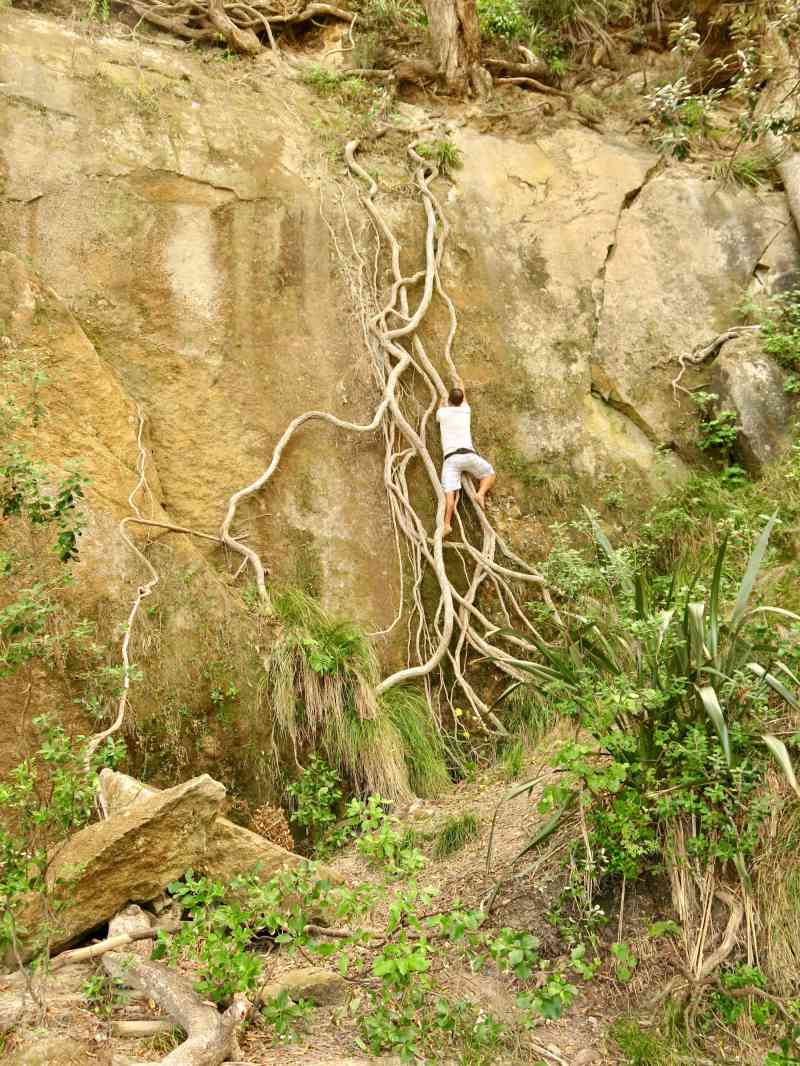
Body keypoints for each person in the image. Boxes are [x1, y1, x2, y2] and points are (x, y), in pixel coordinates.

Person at [436, 382, 496, 537]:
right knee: (490, 474)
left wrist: (442, 401)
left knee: (450, 494)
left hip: (451, 459)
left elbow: (439, 410)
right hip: (469, 455)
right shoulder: (465, 411)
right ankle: (480, 493)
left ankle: (447, 524)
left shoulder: (443, 413)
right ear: (462, 400)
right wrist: (461, 385)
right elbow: (464, 399)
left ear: (449, 400)